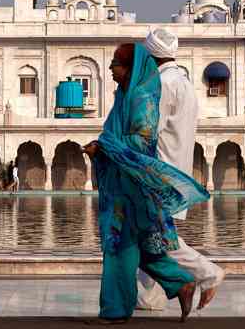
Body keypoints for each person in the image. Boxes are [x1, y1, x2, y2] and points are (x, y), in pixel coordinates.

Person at [83, 43, 208, 322]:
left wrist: (103, 146)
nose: (111, 70)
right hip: (124, 182)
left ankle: (115, 310)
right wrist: (103, 147)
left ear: (129, 68)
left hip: (133, 185)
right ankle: (181, 283)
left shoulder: (142, 97)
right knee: (143, 246)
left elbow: (142, 140)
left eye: (115, 64)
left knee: (120, 245)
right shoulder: (125, 95)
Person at [137, 29, 225, 312]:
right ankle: (149, 299)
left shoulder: (161, 85)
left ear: (151, 57)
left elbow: (149, 130)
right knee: (150, 238)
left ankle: (208, 273)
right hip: (176, 171)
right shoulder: (184, 82)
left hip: (159, 172)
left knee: (160, 236)